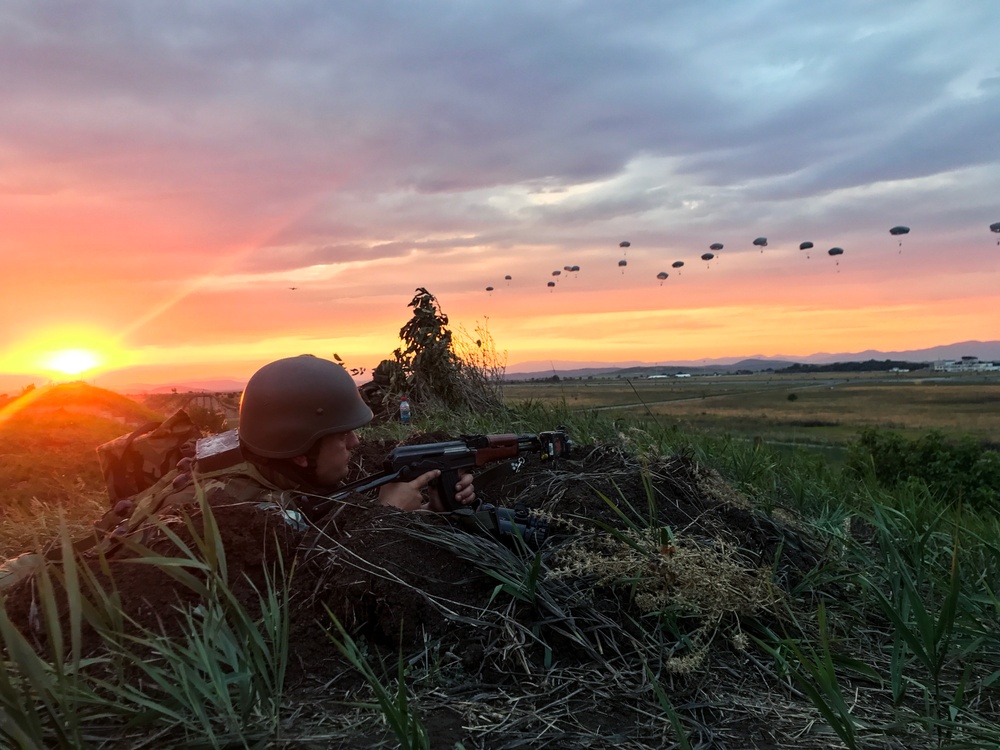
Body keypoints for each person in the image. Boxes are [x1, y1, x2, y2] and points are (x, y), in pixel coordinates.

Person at [236, 354, 476, 513]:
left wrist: (430, 512)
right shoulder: (248, 511)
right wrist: (385, 515)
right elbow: (313, 571)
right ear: (301, 453)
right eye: (341, 436)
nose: (355, 442)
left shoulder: (280, 468)